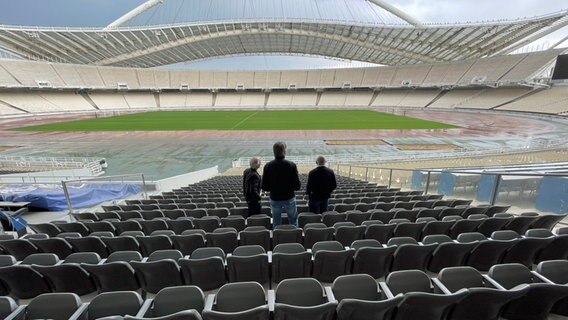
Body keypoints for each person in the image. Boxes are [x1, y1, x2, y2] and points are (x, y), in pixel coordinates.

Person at [261, 142, 301, 227]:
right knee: (293, 220)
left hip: (275, 198)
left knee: (276, 221)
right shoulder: (291, 165)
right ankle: (295, 236)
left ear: (274, 152)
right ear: (284, 151)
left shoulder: (267, 166)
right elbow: (297, 186)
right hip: (289, 197)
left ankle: (277, 237)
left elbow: (264, 186)